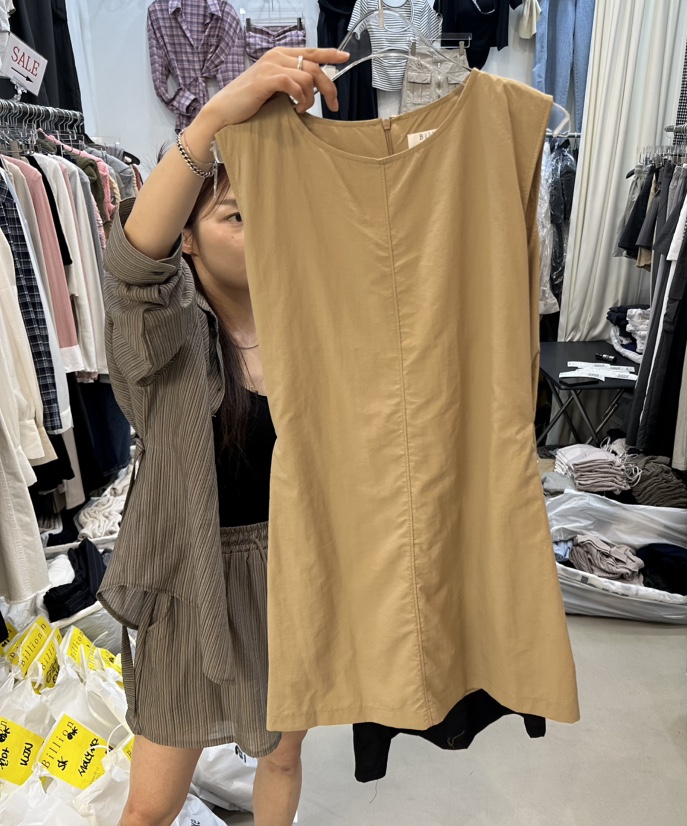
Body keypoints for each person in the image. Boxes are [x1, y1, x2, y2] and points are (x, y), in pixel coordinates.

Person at [101, 47, 350, 826]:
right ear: (189, 237)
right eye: (236, 215)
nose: (263, 228)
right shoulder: (166, 340)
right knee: (151, 806)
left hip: (294, 577)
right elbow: (131, 264)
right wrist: (214, 116)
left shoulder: (316, 329)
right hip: (191, 582)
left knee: (283, 756)